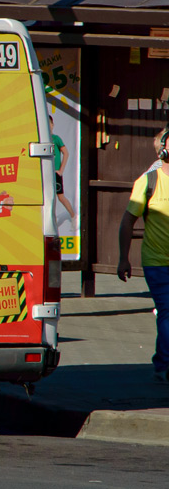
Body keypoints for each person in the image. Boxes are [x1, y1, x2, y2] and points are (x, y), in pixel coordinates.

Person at [117, 126, 169, 383]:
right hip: (158, 262)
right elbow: (127, 221)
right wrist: (123, 258)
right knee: (168, 311)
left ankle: (162, 360)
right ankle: (164, 365)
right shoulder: (149, 181)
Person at [51, 112, 77, 223]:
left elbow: (66, 153)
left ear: (52, 125)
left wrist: (61, 170)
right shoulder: (41, 139)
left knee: (60, 197)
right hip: (45, 173)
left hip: (56, 173)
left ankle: (73, 216)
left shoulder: (56, 138)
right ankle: (51, 219)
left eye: (49, 124)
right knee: (48, 197)